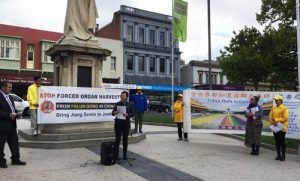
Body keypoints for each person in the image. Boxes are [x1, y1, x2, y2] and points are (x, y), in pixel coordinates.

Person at [0, 81, 26, 168]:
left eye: (11, 87)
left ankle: (15, 159)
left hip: (12, 124)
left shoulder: (10, 97)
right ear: (3, 87)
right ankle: (1, 161)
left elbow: (12, 109)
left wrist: (17, 113)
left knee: (14, 142)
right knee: (1, 144)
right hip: (2, 125)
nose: (11, 89)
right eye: (9, 87)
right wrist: (8, 115)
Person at [112, 91, 133, 160]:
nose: (122, 96)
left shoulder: (129, 104)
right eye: (121, 95)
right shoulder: (117, 104)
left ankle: (124, 155)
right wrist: (115, 112)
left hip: (126, 124)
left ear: (126, 97)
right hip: (118, 123)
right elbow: (112, 113)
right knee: (117, 139)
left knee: (125, 139)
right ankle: (116, 155)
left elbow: (132, 113)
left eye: (123, 95)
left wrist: (128, 115)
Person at [269, 95, 289, 161]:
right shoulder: (273, 108)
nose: (276, 101)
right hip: (275, 127)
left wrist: (276, 120)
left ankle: (283, 156)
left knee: (282, 142)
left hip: (282, 127)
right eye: (275, 100)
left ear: (280, 100)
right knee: (277, 141)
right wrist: (273, 122)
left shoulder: (284, 108)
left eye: (277, 100)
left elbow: (285, 118)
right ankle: (278, 155)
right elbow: (270, 116)